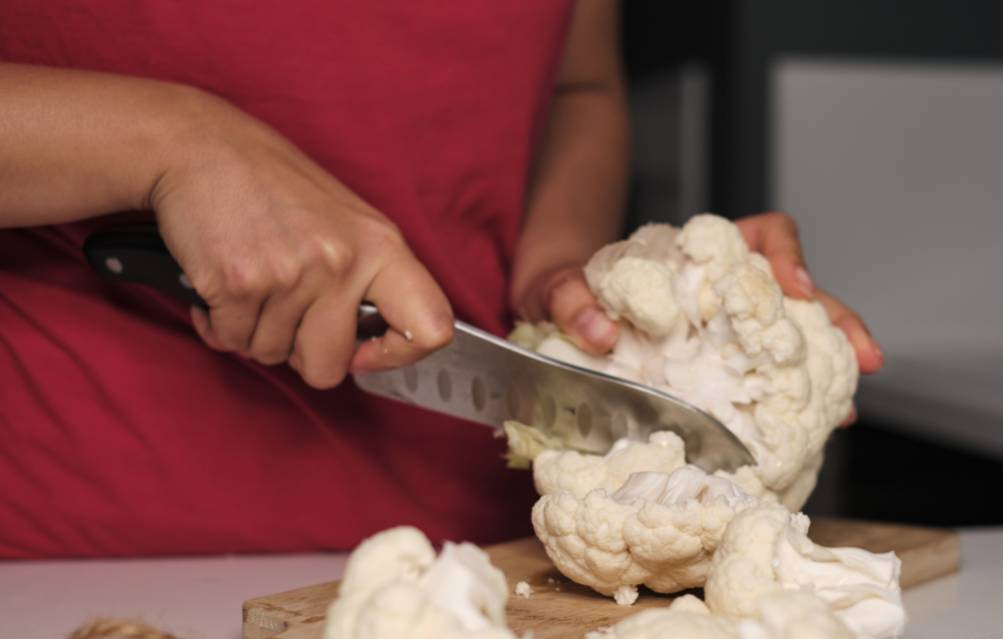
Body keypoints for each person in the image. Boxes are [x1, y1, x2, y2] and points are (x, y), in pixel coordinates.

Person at [0, 0, 883, 558]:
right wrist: (171, 143)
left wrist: (565, 275)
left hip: (490, 552)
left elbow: (578, 88)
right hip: (74, 565)